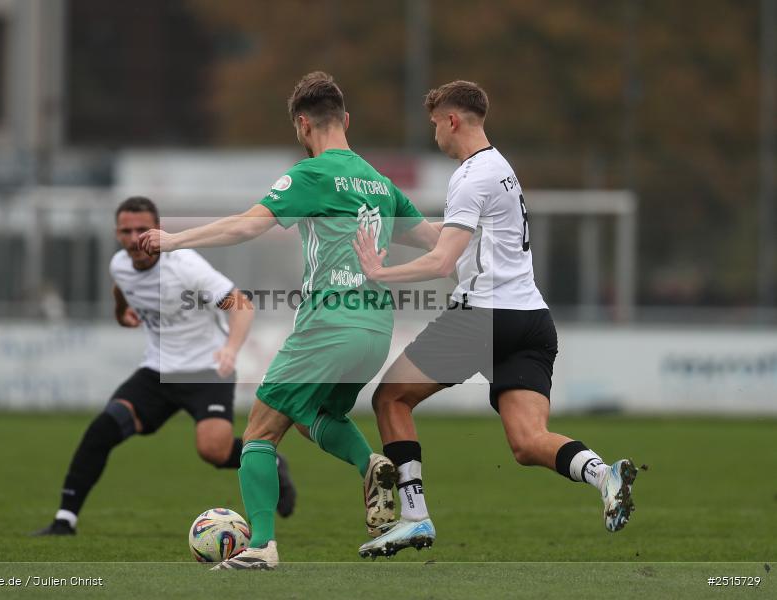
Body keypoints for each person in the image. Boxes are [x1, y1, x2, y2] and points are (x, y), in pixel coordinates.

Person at [138, 72, 439, 569]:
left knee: (258, 433)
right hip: (375, 329)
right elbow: (436, 244)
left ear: (303, 125)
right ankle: (373, 464)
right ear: (347, 120)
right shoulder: (382, 184)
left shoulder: (310, 176)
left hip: (328, 324)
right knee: (309, 417)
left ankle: (260, 546)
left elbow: (243, 227)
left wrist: (171, 240)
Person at [353, 80, 638, 558]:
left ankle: (415, 518)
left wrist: (380, 272)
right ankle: (602, 474)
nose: (434, 136)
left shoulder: (469, 176)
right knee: (528, 443)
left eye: (434, 125)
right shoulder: (499, 168)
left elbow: (443, 263)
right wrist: (385, 231)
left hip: (483, 317)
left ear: (452, 120)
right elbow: (451, 238)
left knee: (390, 398)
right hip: (531, 321)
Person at [34, 196, 296, 536]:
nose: (134, 237)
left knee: (213, 450)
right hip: (157, 371)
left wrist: (231, 349)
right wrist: (121, 312)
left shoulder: (185, 264)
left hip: (207, 370)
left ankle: (273, 462)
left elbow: (241, 305)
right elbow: (121, 287)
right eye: (126, 231)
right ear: (117, 234)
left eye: (142, 229)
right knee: (101, 430)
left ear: (157, 230)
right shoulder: (120, 265)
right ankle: (64, 520)